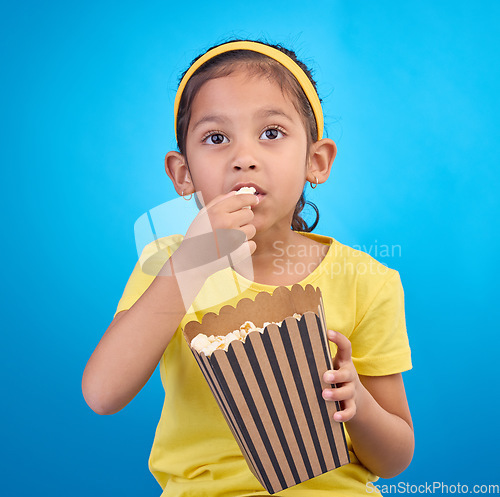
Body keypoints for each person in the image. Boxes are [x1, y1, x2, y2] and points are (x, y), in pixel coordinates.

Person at [82, 39, 414, 496]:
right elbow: (103, 394)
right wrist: (190, 264)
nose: (244, 157)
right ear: (183, 174)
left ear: (316, 162)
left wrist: (358, 403)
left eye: (272, 133)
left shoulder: (367, 281)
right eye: (216, 139)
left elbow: (394, 459)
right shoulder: (167, 262)